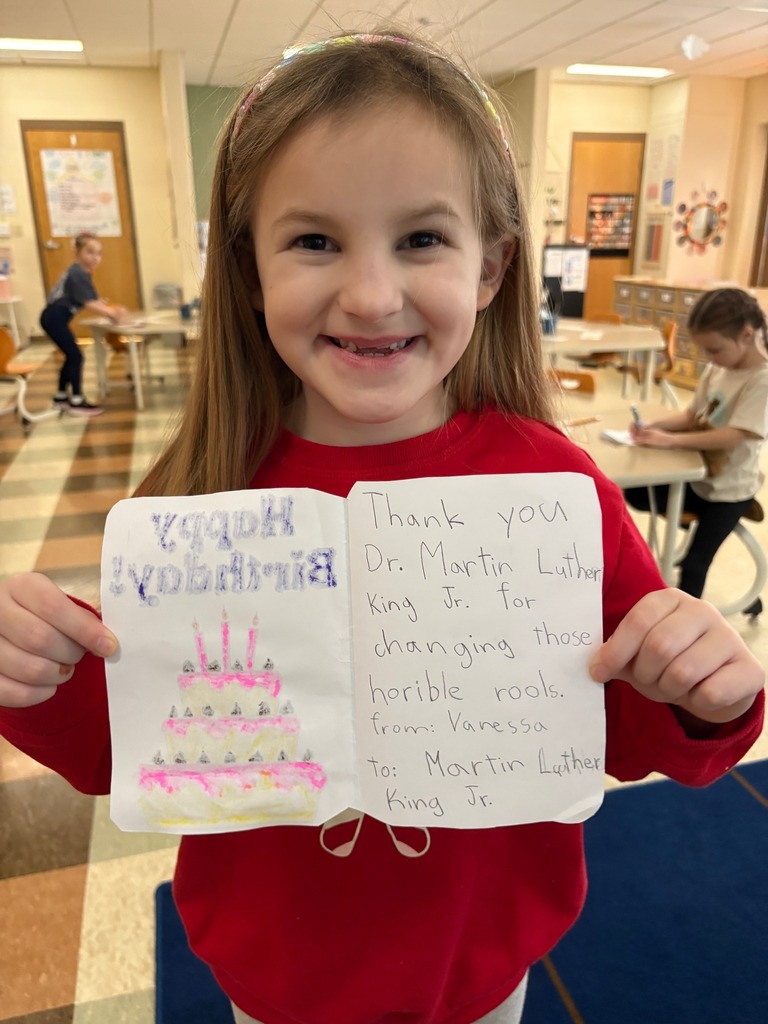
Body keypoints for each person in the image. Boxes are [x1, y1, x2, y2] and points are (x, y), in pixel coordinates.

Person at [0, 32, 763, 1024]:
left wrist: (708, 692)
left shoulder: (551, 488)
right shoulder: (194, 495)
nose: (369, 296)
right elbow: (131, 750)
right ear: (249, 267)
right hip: (274, 976)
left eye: (422, 239)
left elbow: (626, 730)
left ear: (491, 268)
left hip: (480, 969)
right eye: (314, 241)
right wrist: (35, 674)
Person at [625, 287, 768, 604]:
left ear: (747, 334)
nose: (709, 358)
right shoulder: (718, 368)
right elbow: (692, 416)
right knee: (635, 491)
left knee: (694, 565)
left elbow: (733, 435)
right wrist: (655, 427)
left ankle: (686, 625)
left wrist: (670, 441)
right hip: (698, 479)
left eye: (715, 349)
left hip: (729, 492)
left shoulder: (761, 379)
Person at [40, 231, 130, 416]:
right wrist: (113, 314)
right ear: (78, 252)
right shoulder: (77, 273)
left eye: (99, 253)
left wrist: (109, 309)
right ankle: (77, 400)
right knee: (76, 356)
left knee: (71, 355)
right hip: (53, 318)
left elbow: (93, 300)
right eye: (90, 252)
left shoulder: (81, 273)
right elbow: (90, 304)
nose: (95, 257)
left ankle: (61, 396)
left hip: (52, 318)